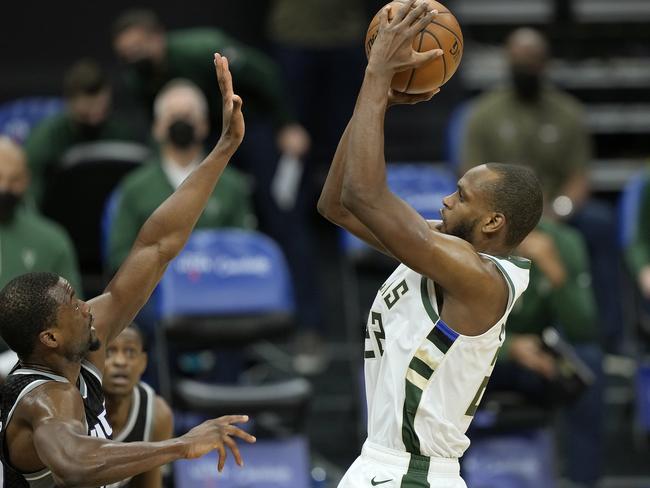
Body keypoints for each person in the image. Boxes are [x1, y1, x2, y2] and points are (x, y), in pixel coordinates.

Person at [0, 53, 255, 487]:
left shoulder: (81, 348)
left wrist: (223, 148)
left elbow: (156, 245)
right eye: (73, 304)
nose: (86, 307)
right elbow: (78, 464)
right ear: (50, 338)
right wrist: (181, 445)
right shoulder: (44, 398)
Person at [317, 2, 543, 486]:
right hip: (380, 463)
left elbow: (365, 193)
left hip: (412, 474)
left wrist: (377, 79)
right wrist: (373, 98)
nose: (444, 200)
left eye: (460, 197)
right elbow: (337, 204)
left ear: (492, 221)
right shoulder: (443, 250)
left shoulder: (477, 278)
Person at [112, 10, 327, 367]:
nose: (132, 58)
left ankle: (307, 327)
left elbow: (264, 73)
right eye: (125, 54)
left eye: (138, 48)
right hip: (206, 131)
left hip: (254, 122)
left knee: (282, 219)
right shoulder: (138, 77)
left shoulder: (201, 50)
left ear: (156, 39)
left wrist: (286, 123)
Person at [460, 27, 623, 352]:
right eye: (518, 63)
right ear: (507, 62)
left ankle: (609, 339)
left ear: (545, 64)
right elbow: (469, 177)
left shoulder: (568, 112)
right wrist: (509, 216)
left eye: (531, 62)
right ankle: (489, 338)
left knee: (602, 224)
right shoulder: (484, 114)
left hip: (557, 209)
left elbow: (579, 176)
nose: (524, 70)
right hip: (500, 213)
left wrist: (557, 210)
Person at [490, 219, 604, 486]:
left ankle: (582, 480)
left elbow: (583, 328)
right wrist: (510, 347)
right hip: (480, 352)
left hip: (536, 355)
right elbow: (449, 322)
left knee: (588, 361)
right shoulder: (474, 241)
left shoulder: (563, 241)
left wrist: (555, 273)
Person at [108, 78, 255, 272]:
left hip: (219, 291)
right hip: (155, 294)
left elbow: (246, 251)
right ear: (157, 128)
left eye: (188, 115)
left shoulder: (232, 185)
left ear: (203, 125)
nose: (181, 122)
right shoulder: (134, 187)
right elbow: (118, 256)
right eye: (173, 116)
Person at [24, 59, 140, 206]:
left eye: (101, 107)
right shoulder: (47, 139)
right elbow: (31, 193)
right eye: (87, 110)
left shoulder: (120, 132)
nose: (95, 115)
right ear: (70, 102)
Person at [103, 325, 173, 488]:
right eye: (109, 352)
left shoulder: (157, 415)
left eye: (130, 352)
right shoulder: (74, 404)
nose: (120, 362)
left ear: (143, 362)